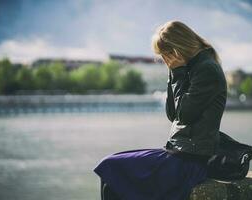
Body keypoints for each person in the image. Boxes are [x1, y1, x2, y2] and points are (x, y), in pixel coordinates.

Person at [93, 20, 227, 200]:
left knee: (112, 168)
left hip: (190, 161)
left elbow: (185, 115)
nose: (165, 61)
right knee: (110, 167)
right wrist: (173, 74)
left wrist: (178, 72)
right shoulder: (190, 68)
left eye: (165, 55)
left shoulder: (206, 69)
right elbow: (172, 115)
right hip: (178, 153)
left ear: (178, 49)